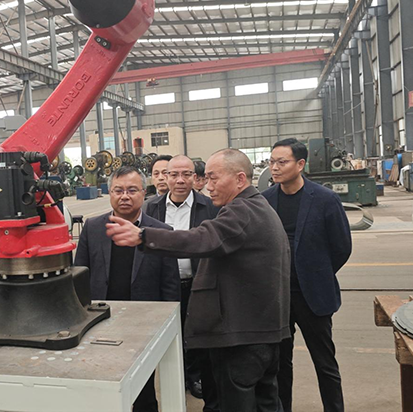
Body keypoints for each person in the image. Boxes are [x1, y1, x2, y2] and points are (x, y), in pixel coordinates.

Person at [106, 149, 290, 412]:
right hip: (260, 333)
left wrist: (143, 236)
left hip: (242, 340)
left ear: (240, 179)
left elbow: (202, 238)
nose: (208, 185)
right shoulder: (257, 207)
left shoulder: (242, 210)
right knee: (265, 404)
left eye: (214, 178)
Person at [74, 165, 180, 412]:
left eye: (132, 190)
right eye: (118, 190)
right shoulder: (93, 227)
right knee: (102, 381)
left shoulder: (160, 232)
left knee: (143, 387)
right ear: (109, 193)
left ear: (144, 193)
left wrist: (171, 326)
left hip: (143, 323)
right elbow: (80, 274)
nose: (124, 196)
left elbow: (170, 284)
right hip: (100, 319)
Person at [262, 138, 351, 412]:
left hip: (314, 297)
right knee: (280, 364)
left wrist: (316, 273)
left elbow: (341, 247)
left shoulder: (325, 199)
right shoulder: (266, 200)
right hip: (278, 297)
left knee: (325, 363)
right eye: (272, 162)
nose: (275, 168)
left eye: (282, 162)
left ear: (300, 164)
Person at [144, 155, 219, 407]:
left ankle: (197, 379)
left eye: (186, 174)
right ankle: (175, 381)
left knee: (199, 338)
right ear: (165, 177)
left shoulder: (210, 207)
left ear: (195, 178)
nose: (180, 180)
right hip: (165, 287)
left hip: (198, 285)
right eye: (174, 174)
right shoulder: (151, 208)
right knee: (166, 340)